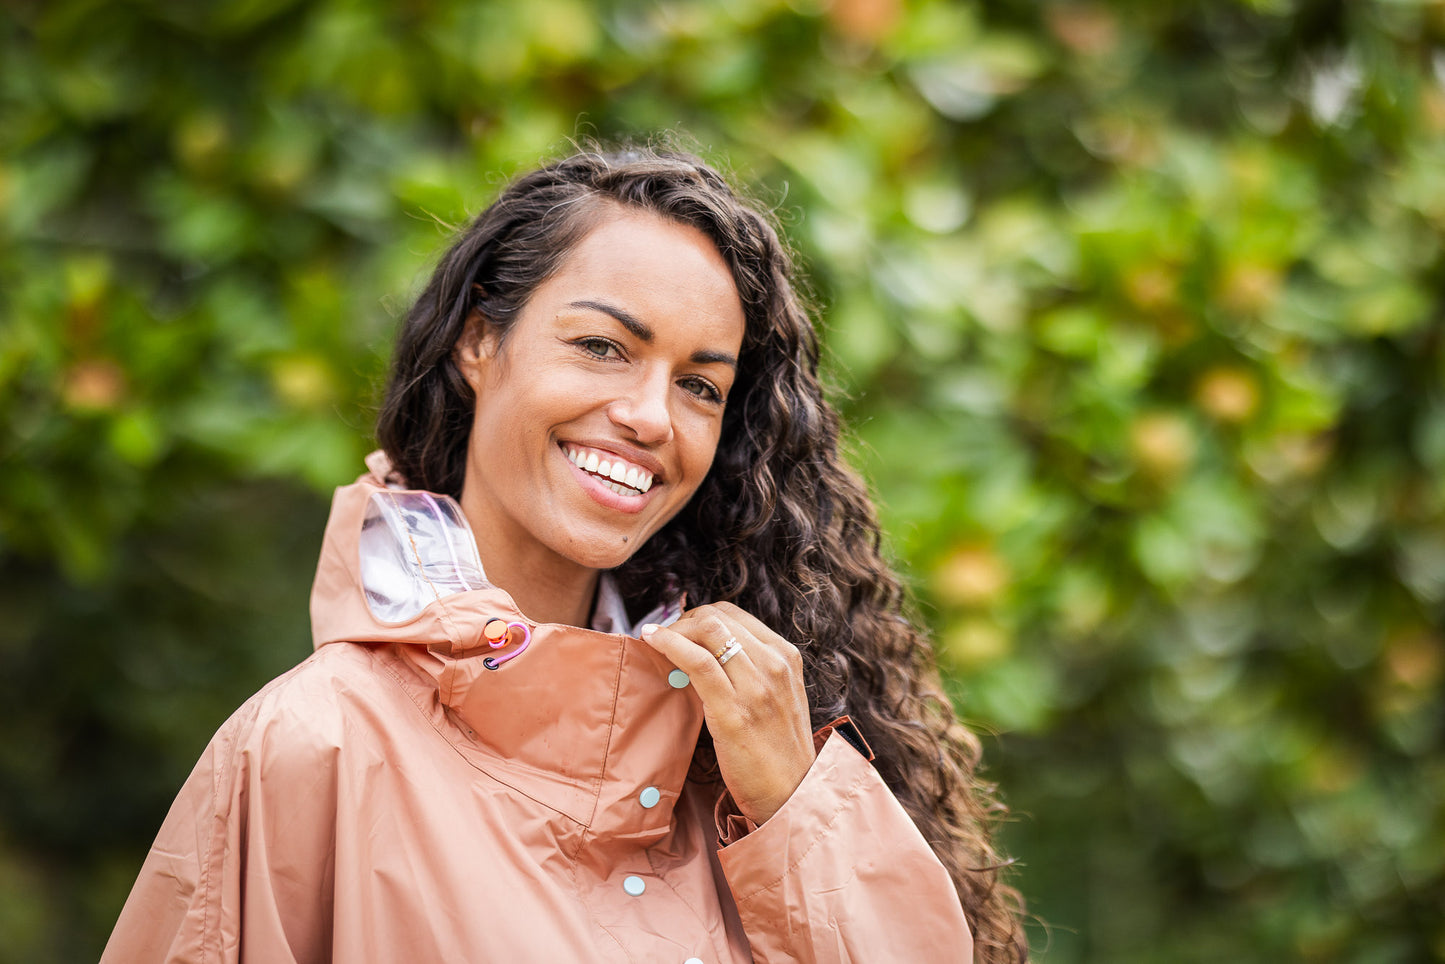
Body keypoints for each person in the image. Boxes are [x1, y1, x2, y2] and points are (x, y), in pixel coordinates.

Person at [102, 145, 1028, 963]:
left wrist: (794, 813)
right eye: (600, 346)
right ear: (478, 339)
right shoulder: (312, 748)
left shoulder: (748, 760)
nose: (651, 416)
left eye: (700, 386)